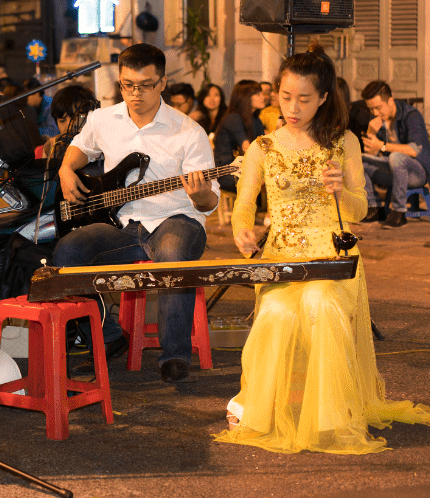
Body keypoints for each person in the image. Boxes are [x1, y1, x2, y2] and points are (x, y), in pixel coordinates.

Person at [216, 46, 430, 454]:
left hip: (332, 257)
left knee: (320, 305)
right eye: (285, 96)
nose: (293, 107)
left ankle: (330, 416)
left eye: (304, 99)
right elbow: (245, 203)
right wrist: (242, 232)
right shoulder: (262, 147)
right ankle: (261, 407)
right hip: (280, 257)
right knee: (277, 312)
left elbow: (360, 210)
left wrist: (341, 192)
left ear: (325, 97)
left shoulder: (343, 141)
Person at [53, 43, 219, 383]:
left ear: (162, 83)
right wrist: (66, 170)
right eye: (127, 85)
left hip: (177, 218)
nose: (134, 93)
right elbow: (80, 148)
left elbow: (209, 203)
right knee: (68, 250)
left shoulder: (188, 131)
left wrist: (201, 195)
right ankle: (110, 335)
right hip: (123, 223)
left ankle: (174, 356)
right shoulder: (103, 120)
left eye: (144, 85)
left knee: (172, 254)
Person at [359, 80, 430, 228]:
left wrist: (382, 146)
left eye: (378, 108)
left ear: (390, 100)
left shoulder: (411, 114)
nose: (375, 113)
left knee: (396, 157)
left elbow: (413, 150)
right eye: (371, 109)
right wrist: (370, 132)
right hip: (392, 170)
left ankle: (398, 212)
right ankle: (374, 208)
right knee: (360, 160)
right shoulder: (376, 118)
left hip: (417, 172)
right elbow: (370, 152)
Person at [213, 80, 266, 193]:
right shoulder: (233, 118)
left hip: (245, 170)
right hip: (226, 173)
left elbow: (264, 149)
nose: (263, 97)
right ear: (245, 97)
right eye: (258, 94)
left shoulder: (257, 121)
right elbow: (246, 148)